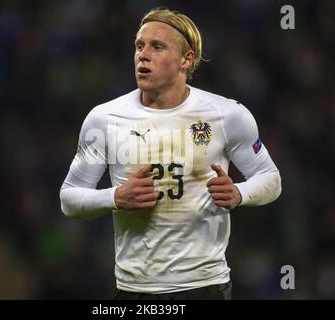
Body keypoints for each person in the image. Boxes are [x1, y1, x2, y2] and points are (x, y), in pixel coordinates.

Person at [59, 8, 282, 300]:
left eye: (157, 46)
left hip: (205, 286)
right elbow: (69, 197)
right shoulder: (105, 118)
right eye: (139, 46)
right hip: (134, 290)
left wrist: (240, 193)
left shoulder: (227, 115)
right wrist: (115, 197)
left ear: (186, 59)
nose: (143, 55)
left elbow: (270, 178)